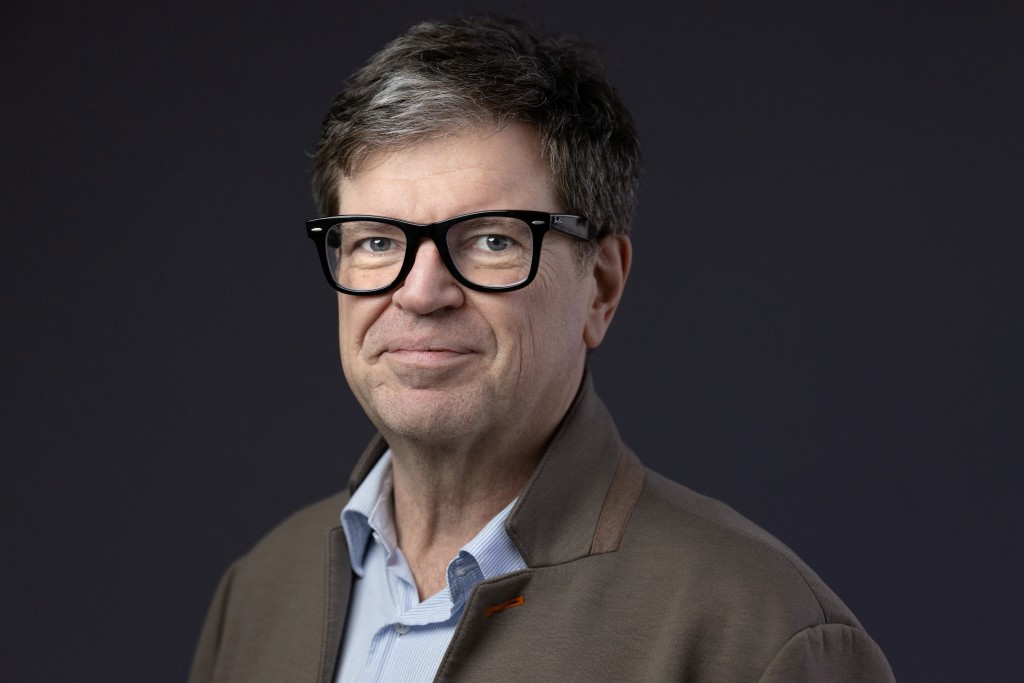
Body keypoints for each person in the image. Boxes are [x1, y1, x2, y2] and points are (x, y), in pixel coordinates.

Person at [189, 17, 895, 682]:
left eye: (492, 239)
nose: (421, 291)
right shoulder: (259, 592)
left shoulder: (759, 632)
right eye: (377, 241)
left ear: (602, 287)